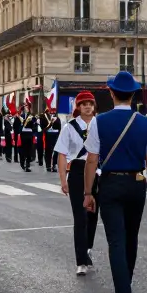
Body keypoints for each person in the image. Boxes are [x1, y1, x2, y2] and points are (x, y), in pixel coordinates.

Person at [82, 72, 147, 293]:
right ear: (133, 95)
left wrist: (88, 192)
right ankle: (126, 284)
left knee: (116, 240)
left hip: (110, 182)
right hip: (137, 182)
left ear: (111, 93)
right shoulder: (146, 123)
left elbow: (92, 160)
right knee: (131, 237)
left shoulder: (99, 121)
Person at [57, 92, 98, 273]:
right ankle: (81, 261)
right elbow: (62, 154)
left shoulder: (100, 124)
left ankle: (87, 248)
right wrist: (62, 179)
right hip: (77, 170)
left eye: (90, 103)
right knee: (80, 217)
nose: (88, 106)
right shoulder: (69, 127)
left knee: (93, 215)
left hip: (97, 171)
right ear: (78, 107)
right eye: (84, 104)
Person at [16, 104, 37, 172]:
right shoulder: (21, 116)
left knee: (29, 150)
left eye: (27, 107)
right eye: (25, 107)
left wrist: (29, 124)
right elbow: (16, 125)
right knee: (22, 150)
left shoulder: (32, 116)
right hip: (22, 134)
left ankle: (27, 165)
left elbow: (34, 125)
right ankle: (22, 163)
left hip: (29, 134)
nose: (26, 108)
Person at [40, 106, 61, 173]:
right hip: (48, 135)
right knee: (48, 151)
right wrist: (50, 124)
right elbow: (43, 128)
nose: (52, 111)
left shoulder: (57, 118)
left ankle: (54, 164)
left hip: (55, 135)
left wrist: (59, 135)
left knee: (56, 151)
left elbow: (59, 127)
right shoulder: (43, 117)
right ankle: (48, 165)